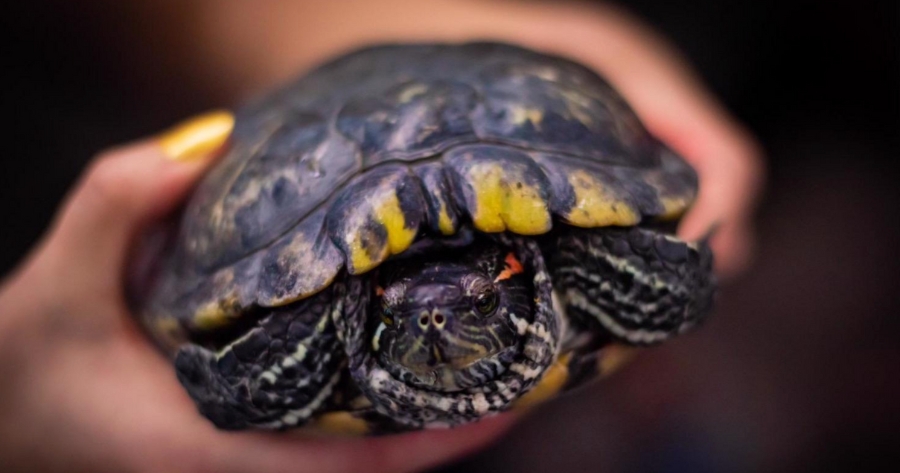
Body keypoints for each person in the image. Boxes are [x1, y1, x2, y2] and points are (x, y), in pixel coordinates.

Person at [0, 1, 762, 472]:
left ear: (524, 278)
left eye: (477, 301)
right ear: (362, 316)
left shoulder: (571, 261)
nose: (433, 317)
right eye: (395, 312)